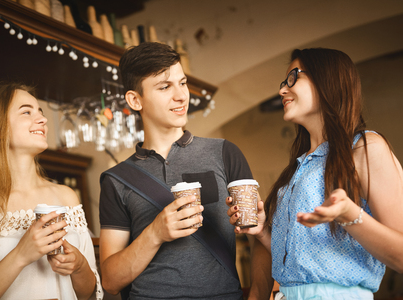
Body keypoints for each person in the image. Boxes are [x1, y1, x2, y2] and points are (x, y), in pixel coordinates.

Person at [98, 42, 272, 300]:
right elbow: (110, 281)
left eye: (183, 83)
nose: (181, 96)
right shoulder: (117, 179)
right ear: (135, 100)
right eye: (165, 87)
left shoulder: (224, 153)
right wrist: (156, 233)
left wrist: (257, 295)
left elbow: (256, 237)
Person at [227, 47, 403, 299]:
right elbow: (304, 262)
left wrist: (349, 214)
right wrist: (264, 232)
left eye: (293, 78)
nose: (282, 90)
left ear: (327, 81)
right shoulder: (300, 166)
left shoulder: (366, 147)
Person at [0, 82, 103, 300]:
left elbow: (88, 293)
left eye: (40, 112)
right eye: (26, 112)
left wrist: (79, 266)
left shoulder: (66, 197)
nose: (42, 119)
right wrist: (21, 255)